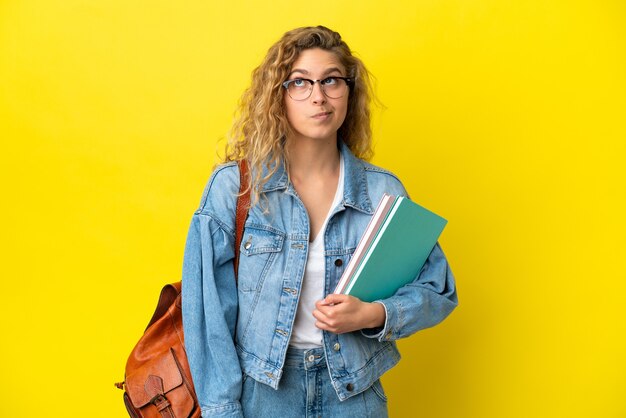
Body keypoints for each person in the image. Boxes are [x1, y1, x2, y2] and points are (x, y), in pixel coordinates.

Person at [182, 25, 458, 418]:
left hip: (353, 392)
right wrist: (223, 409)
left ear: (350, 90)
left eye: (331, 80)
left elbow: (438, 288)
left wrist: (372, 314)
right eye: (300, 82)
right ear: (277, 95)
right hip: (262, 394)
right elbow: (207, 310)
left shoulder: (382, 191)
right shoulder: (236, 189)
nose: (318, 96)